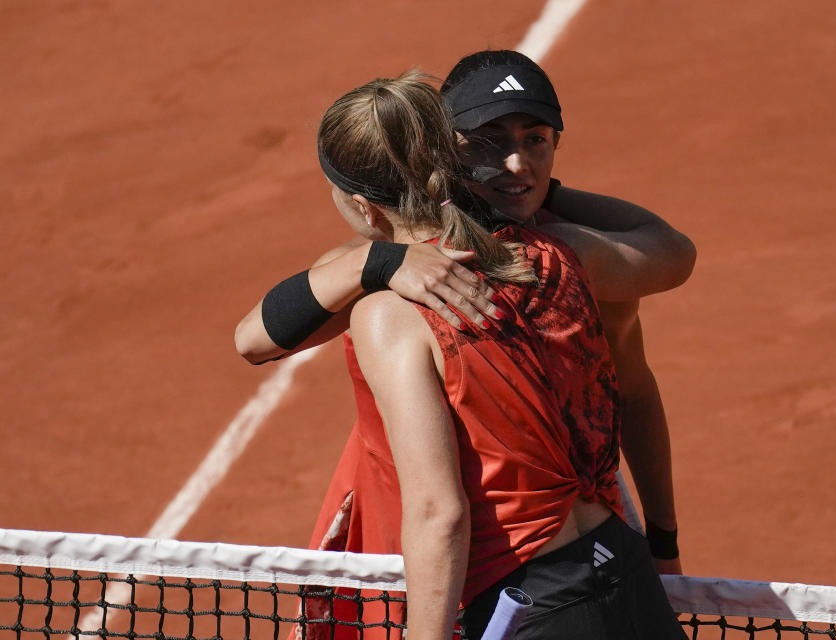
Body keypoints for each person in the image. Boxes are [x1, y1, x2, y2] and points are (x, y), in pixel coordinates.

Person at [236, 50, 694, 574]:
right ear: (442, 151)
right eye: (488, 141)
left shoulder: (573, 255)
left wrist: (664, 538)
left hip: (489, 553)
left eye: (535, 140)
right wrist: (382, 259)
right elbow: (256, 339)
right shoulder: (391, 268)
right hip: (425, 534)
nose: (516, 163)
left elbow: (634, 384)